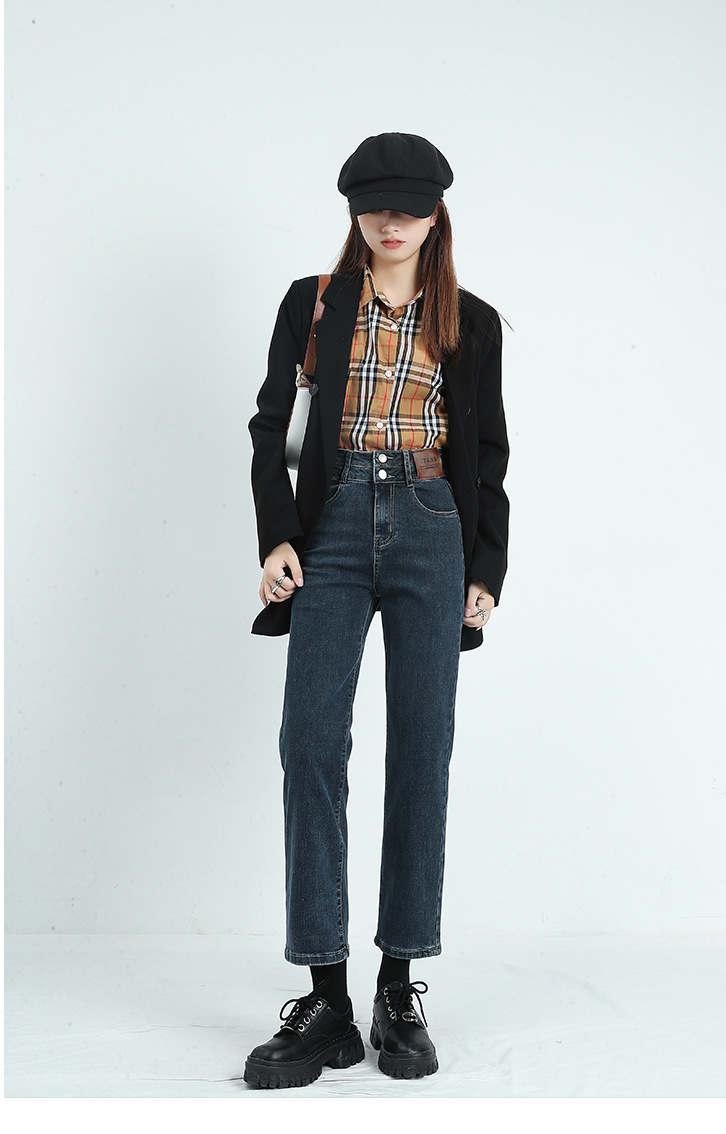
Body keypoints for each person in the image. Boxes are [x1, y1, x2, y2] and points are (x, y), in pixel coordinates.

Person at [243, 132, 509, 1089]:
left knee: (421, 749)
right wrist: (279, 536)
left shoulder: (471, 322)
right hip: (335, 520)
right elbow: (271, 425)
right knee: (311, 743)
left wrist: (488, 568)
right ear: (354, 211)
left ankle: (398, 987)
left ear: (437, 216)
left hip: (434, 524)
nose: (391, 223)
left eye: (408, 208)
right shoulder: (313, 303)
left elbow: (489, 457)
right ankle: (327, 999)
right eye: (375, 207)